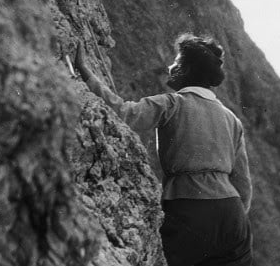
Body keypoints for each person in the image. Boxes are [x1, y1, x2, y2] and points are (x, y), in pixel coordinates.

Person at [76, 33, 253, 266]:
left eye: (177, 62)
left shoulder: (171, 104)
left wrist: (85, 73)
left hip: (188, 208)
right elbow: (244, 186)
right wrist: (229, 214)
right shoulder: (232, 119)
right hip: (233, 216)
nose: (170, 66)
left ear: (187, 70)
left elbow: (123, 113)